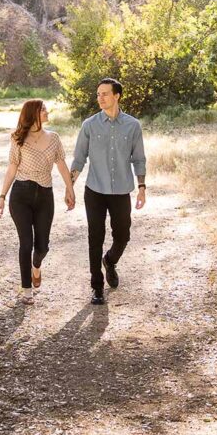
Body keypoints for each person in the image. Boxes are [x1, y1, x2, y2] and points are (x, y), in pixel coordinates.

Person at [70, 78, 147, 305]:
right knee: (95, 237)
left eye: (105, 94)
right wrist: (69, 186)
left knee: (123, 235)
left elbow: (139, 159)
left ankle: (110, 260)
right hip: (94, 189)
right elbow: (78, 159)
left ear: (117, 96)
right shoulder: (89, 125)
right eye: (98, 94)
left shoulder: (132, 125)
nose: (100, 98)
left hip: (121, 190)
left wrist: (141, 187)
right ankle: (97, 286)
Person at [0, 99, 76, 305]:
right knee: (26, 242)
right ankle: (26, 289)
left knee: (42, 246)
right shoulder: (18, 138)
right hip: (20, 194)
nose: (47, 112)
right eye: (43, 109)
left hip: (45, 195)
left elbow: (61, 165)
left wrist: (70, 188)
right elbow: (12, 168)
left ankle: (36, 266)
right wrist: (2, 197)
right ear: (33, 114)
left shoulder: (54, 138)